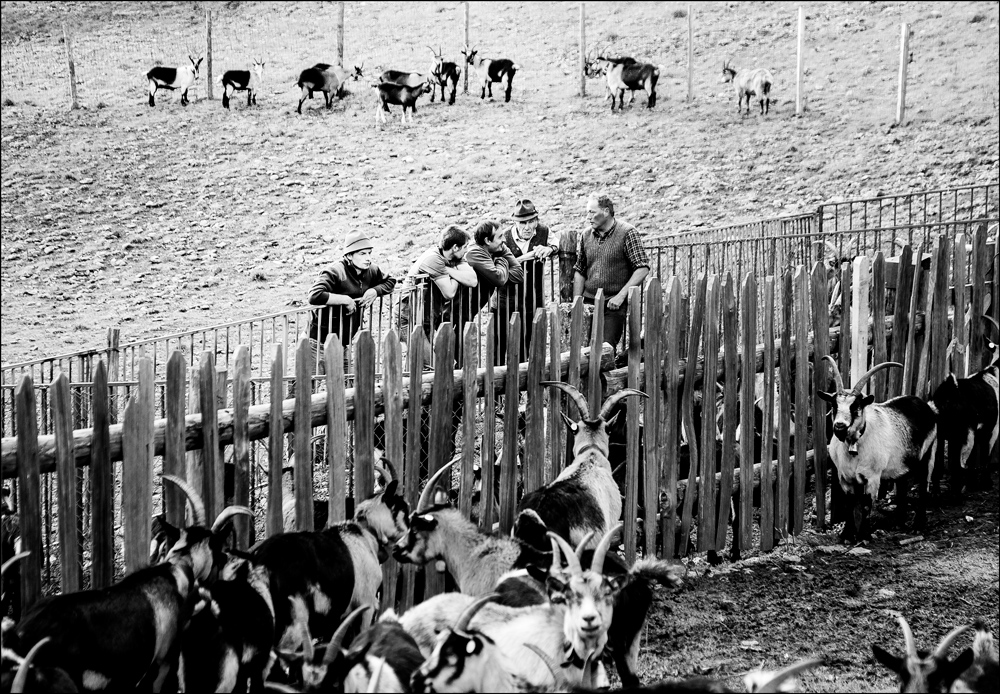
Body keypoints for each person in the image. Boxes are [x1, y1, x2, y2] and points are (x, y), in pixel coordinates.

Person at [307, 230, 396, 371]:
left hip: (343, 341)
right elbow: (314, 295)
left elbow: (390, 281)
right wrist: (344, 300)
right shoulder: (335, 272)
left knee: (345, 386)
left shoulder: (371, 270)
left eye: (369, 253)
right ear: (349, 255)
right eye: (362, 254)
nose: (368, 258)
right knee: (305, 387)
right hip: (318, 340)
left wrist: (375, 291)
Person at [573, 193, 650, 350]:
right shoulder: (586, 235)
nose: (588, 217)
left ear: (606, 211)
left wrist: (621, 296)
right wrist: (577, 302)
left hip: (613, 304)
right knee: (580, 351)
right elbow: (580, 270)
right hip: (589, 302)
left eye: (592, 212)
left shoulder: (627, 232)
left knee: (605, 350)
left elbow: (642, 268)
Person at [397, 224, 479, 357]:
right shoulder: (434, 259)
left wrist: (449, 271)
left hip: (426, 316)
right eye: (465, 247)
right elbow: (450, 292)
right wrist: (458, 274)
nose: (466, 251)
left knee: (418, 364)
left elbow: (473, 281)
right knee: (428, 364)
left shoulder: (453, 258)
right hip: (408, 318)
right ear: (455, 247)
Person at [500, 198, 560, 360]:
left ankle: (522, 382)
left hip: (532, 299)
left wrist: (548, 249)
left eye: (531, 222)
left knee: (526, 346)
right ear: (515, 223)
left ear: (537, 220)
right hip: (505, 301)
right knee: (499, 346)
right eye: (522, 223)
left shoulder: (544, 232)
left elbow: (557, 244)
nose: (527, 227)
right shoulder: (503, 238)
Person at [464, 219, 525, 364]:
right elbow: (498, 279)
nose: (504, 240)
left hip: (470, 310)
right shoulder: (475, 253)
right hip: (453, 311)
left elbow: (519, 273)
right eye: (499, 237)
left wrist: (496, 269)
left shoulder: (498, 248)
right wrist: (501, 262)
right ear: (487, 240)